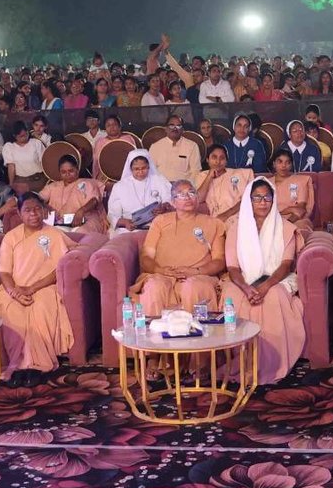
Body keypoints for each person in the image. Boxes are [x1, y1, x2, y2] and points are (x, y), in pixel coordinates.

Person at [221, 178, 305, 383]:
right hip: (244, 280)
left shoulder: (285, 227)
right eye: (257, 197)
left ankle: (268, 364)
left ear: (273, 200)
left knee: (273, 296)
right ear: (248, 201)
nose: (262, 202)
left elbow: (286, 264)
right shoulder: (235, 228)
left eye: (267, 197)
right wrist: (246, 287)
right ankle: (243, 362)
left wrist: (266, 286)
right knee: (232, 295)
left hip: (276, 279)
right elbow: (232, 267)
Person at [0, 192, 75, 384]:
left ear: (44, 211)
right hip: (14, 288)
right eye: (28, 210)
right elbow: (4, 272)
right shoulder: (11, 237)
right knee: (10, 310)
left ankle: (36, 365)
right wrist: (14, 292)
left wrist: (32, 288)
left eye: (38, 209)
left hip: (45, 287)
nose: (34, 214)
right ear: (19, 214)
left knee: (41, 309)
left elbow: (57, 270)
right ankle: (17, 365)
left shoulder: (54, 235)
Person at [129, 179, 225, 313]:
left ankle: (196, 327)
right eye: (181, 194)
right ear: (173, 202)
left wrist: (197, 271)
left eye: (191, 193)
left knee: (193, 287)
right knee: (154, 287)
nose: (187, 197)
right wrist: (161, 270)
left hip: (199, 276)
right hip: (162, 275)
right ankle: (155, 327)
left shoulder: (214, 224)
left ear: (198, 199)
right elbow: (146, 257)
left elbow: (219, 261)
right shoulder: (160, 222)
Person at [106, 150, 172, 231]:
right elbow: (113, 214)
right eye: (136, 169)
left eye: (144, 168)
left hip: (158, 225)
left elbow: (169, 199)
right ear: (131, 169)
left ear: (148, 166)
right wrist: (125, 222)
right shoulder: (120, 186)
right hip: (130, 229)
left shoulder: (159, 180)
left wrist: (164, 207)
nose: (140, 172)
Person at [41, 154, 108, 233]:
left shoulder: (86, 183)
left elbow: (94, 200)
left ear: (77, 170)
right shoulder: (53, 186)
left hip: (87, 219)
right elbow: (37, 198)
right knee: (51, 232)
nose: (67, 174)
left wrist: (81, 211)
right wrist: (43, 206)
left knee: (80, 231)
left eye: (71, 171)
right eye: (63, 172)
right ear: (59, 173)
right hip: (60, 222)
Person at [197, 143, 253, 222]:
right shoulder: (202, 176)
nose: (218, 161)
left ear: (226, 161)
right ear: (207, 160)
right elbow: (199, 199)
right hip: (215, 220)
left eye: (222, 158)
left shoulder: (240, 174)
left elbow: (249, 198)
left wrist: (226, 214)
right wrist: (209, 177)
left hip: (237, 216)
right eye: (214, 157)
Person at [267, 148, 316, 231]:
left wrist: (285, 223)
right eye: (280, 162)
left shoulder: (300, 181)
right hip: (271, 220)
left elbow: (300, 211)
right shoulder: (266, 183)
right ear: (274, 164)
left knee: (301, 227)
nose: (283, 166)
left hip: (296, 221)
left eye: (288, 162)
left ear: (291, 165)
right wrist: (289, 210)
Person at [148, 114, 202, 185]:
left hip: (184, 188)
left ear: (182, 130)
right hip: (161, 187)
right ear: (166, 129)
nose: (175, 128)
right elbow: (151, 172)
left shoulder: (192, 146)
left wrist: (186, 187)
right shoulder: (155, 147)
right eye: (171, 125)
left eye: (178, 126)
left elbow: (196, 171)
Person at [1, 121, 47, 193]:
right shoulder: (9, 147)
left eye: (26, 134)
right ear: (14, 136)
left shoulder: (36, 143)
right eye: (21, 136)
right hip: (20, 181)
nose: (24, 137)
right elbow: (11, 167)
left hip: (38, 179)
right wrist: (11, 184)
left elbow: (44, 162)